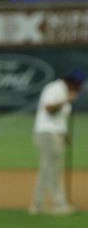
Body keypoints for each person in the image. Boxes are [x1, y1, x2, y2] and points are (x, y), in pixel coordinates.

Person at [29, 69, 85, 215]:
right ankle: (57, 203)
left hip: (55, 134)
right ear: (73, 83)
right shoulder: (55, 88)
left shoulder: (66, 91)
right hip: (47, 133)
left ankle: (39, 204)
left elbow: (60, 118)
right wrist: (67, 100)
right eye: (79, 85)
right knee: (50, 169)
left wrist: (64, 134)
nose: (80, 88)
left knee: (49, 169)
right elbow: (48, 108)